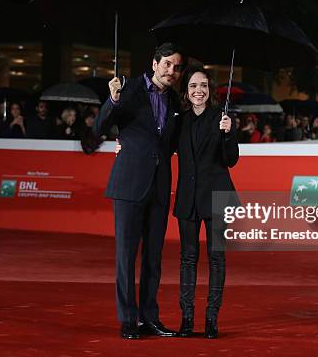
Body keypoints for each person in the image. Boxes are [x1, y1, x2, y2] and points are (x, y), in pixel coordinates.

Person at [93, 43, 186, 340]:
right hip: (129, 185)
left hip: (159, 187)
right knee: (126, 256)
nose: (172, 71)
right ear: (155, 63)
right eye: (168, 64)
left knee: (153, 258)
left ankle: (150, 318)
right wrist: (112, 99)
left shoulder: (174, 101)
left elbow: (170, 144)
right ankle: (128, 320)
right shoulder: (128, 89)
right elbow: (99, 127)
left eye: (177, 67)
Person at [171, 67, 238, 339]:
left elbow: (230, 160)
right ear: (186, 91)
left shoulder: (222, 118)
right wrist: (123, 144)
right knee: (187, 259)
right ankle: (187, 320)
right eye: (193, 85)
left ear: (210, 90)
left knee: (216, 259)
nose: (199, 90)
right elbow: (160, 147)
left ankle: (212, 320)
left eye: (204, 85)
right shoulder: (179, 121)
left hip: (217, 197)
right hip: (187, 199)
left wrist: (228, 133)